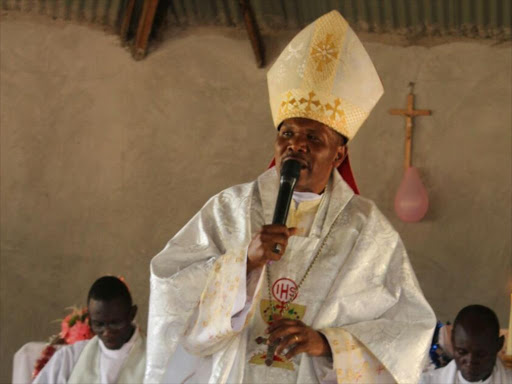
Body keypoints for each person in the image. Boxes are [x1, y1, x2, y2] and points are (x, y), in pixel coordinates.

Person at [145, 10, 435, 384]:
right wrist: (244, 264)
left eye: (313, 138)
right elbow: (171, 290)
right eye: (287, 133)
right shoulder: (229, 209)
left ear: (339, 155)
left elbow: (408, 330)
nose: (296, 145)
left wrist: (327, 344)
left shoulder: (367, 232)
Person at [33, 276, 146, 384]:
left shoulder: (154, 357)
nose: (107, 332)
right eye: (99, 324)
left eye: (115, 323)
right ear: (90, 319)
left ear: (132, 314)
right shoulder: (70, 358)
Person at [420, 305, 511, 384]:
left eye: (480, 354)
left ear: (499, 345)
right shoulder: (428, 382)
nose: (470, 361)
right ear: (453, 340)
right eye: (462, 352)